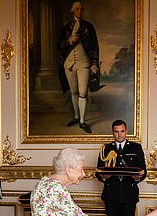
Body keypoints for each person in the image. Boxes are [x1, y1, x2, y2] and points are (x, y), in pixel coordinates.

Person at [96, 120, 147, 216]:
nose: (119, 134)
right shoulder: (106, 149)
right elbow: (99, 172)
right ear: (113, 132)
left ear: (126, 131)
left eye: (122, 131)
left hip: (128, 195)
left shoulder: (135, 148)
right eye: (116, 131)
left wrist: (138, 178)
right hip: (111, 195)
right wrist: (105, 176)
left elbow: (143, 171)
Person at [58, 1, 99, 134]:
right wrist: (69, 41)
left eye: (81, 9)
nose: (79, 11)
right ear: (72, 11)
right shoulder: (66, 28)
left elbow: (94, 47)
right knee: (74, 91)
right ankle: (76, 116)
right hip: (69, 64)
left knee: (83, 92)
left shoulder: (88, 27)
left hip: (83, 63)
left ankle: (82, 121)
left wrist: (94, 63)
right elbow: (59, 45)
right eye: (77, 9)